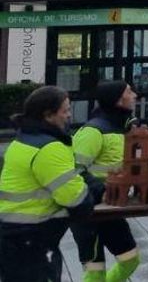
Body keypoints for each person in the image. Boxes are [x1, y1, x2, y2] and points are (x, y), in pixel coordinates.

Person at [0, 86, 104, 282]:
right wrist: (94, 193)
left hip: (15, 236)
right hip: (33, 240)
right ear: (48, 115)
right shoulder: (49, 148)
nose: (69, 115)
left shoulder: (24, 140)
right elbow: (77, 201)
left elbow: (74, 171)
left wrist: (93, 184)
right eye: (65, 110)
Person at [70, 81, 140, 282]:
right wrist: (102, 190)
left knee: (130, 260)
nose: (135, 95)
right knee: (95, 272)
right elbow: (74, 170)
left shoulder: (121, 129)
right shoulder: (93, 131)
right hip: (88, 211)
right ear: (118, 100)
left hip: (110, 208)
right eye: (129, 92)